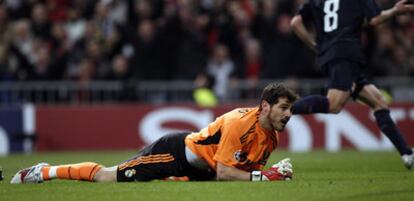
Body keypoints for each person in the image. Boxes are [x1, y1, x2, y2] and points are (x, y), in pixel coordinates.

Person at [11, 82, 298, 184]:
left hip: (201, 168)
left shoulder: (271, 135)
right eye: (283, 108)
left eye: (290, 110)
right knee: (108, 177)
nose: (288, 115)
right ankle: (43, 171)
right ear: (265, 106)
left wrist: (267, 173)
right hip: (175, 153)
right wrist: (266, 176)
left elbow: (243, 171)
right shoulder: (240, 123)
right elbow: (226, 173)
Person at [290, 0, 414, 169]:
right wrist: (394, 11)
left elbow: (295, 23)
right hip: (346, 53)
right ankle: (284, 109)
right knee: (334, 104)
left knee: (378, 102)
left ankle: (407, 154)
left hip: (332, 55)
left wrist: (315, 46)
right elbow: (375, 19)